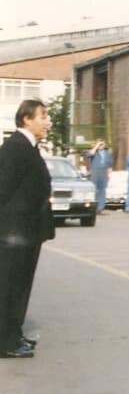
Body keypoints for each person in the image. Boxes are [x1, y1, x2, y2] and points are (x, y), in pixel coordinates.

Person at [1, 99, 56, 358]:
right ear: (26, 119)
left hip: (26, 231)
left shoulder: (29, 147)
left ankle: (13, 334)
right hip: (14, 232)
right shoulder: (16, 148)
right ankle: (5, 342)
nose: (48, 122)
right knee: (9, 287)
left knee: (20, 286)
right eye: (43, 116)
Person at [88, 139, 112, 215]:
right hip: (95, 171)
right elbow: (90, 155)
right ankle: (93, 208)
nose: (101, 146)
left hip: (104, 171)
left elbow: (109, 164)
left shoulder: (107, 153)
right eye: (100, 144)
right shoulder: (94, 151)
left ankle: (100, 208)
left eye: (102, 144)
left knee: (102, 190)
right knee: (95, 189)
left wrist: (108, 173)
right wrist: (96, 146)